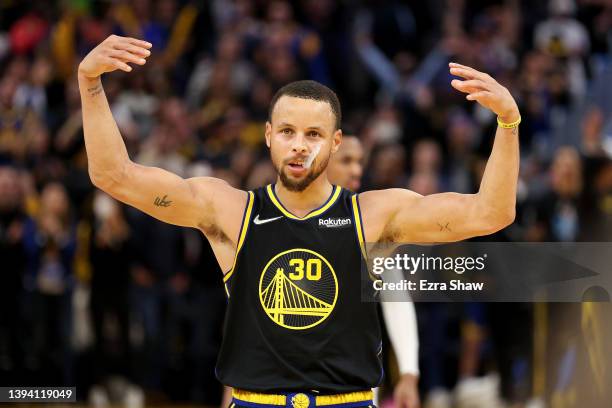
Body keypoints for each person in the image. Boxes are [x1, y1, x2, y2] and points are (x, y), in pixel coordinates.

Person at [78, 35, 520, 408]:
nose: (299, 146)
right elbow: (114, 176)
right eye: (288, 132)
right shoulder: (229, 209)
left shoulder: (374, 214)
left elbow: (491, 213)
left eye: (313, 135)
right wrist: (90, 84)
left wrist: (508, 122)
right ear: (269, 135)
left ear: (335, 142)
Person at [327, 136, 420, 408]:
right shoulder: (282, 217)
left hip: (355, 381)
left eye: (360, 162)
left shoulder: (371, 221)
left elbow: (396, 300)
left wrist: (408, 373)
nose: (356, 170)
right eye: (346, 161)